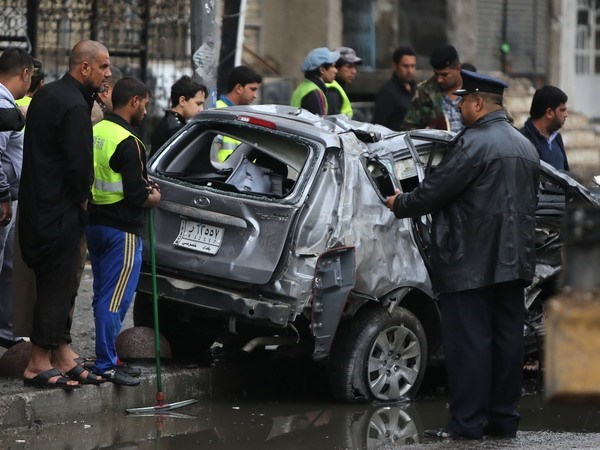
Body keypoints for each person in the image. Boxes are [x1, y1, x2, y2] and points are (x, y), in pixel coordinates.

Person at [386, 70, 540, 439]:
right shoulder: (525, 146)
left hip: (471, 264)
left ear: (478, 103)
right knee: (507, 344)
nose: (459, 112)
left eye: (462, 104)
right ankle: (503, 422)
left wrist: (399, 202)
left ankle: (467, 425)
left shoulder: (473, 144)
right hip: (514, 263)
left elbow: (433, 192)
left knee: (469, 346)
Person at [19, 40, 111, 389]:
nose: (106, 75)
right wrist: (84, 198)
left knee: (57, 285)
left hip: (39, 206)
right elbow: (78, 165)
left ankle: (61, 352)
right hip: (59, 210)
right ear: (84, 67)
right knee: (57, 286)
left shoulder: (50, 94)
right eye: (102, 67)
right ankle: (37, 362)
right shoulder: (73, 105)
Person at [87, 77, 160, 386]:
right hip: (123, 231)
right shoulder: (129, 142)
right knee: (114, 300)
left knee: (103, 295)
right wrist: (153, 196)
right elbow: (135, 193)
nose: (146, 109)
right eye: (145, 103)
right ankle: (105, 363)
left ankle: (109, 358)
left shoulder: (95, 131)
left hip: (95, 224)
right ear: (134, 102)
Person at [0, 48, 34, 349]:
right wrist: (2, 195)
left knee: (10, 267)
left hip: (12, 196)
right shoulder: (2, 101)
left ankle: (6, 330)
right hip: (4, 198)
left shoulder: (9, 104)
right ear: (25, 73)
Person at [402, 44, 464, 132]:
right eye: (436, 74)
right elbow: (408, 127)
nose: (439, 80)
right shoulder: (424, 91)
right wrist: (426, 132)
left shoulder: (473, 89)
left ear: (458, 69)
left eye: (444, 75)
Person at [150, 75, 207, 158]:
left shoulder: (168, 122)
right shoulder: (176, 129)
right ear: (182, 101)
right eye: (198, 104)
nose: (201, 109)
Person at [214, 66, 262, 162]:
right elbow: (213, 152)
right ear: (239, 88)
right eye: (252, 89)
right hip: (225, 175)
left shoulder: (245, 113)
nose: (255, 95)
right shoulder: (218, 111)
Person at [520, 85, 569, 171]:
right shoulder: (522, 141)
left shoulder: (557, 138)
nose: (566, 115)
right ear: (549, 112)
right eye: (562, 110)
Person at [372, 46, 417, 130]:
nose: (410, 71)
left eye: (412, 66)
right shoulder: (387, 93)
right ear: (395, 66)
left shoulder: (416, 89)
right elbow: (378, 126)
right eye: (405, 66)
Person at [290, 47, 339, 116]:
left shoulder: (302, 88)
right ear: (322, 69)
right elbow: (319, 125)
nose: (336, 71)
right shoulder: (315, 93)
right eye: (333, 66)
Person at [326, 46, 362, 118]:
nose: (354, 72)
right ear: (335, 67)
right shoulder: (332, 90)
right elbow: (333, 123)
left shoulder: (338, 87)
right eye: (349, 66)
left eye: (355, 67)